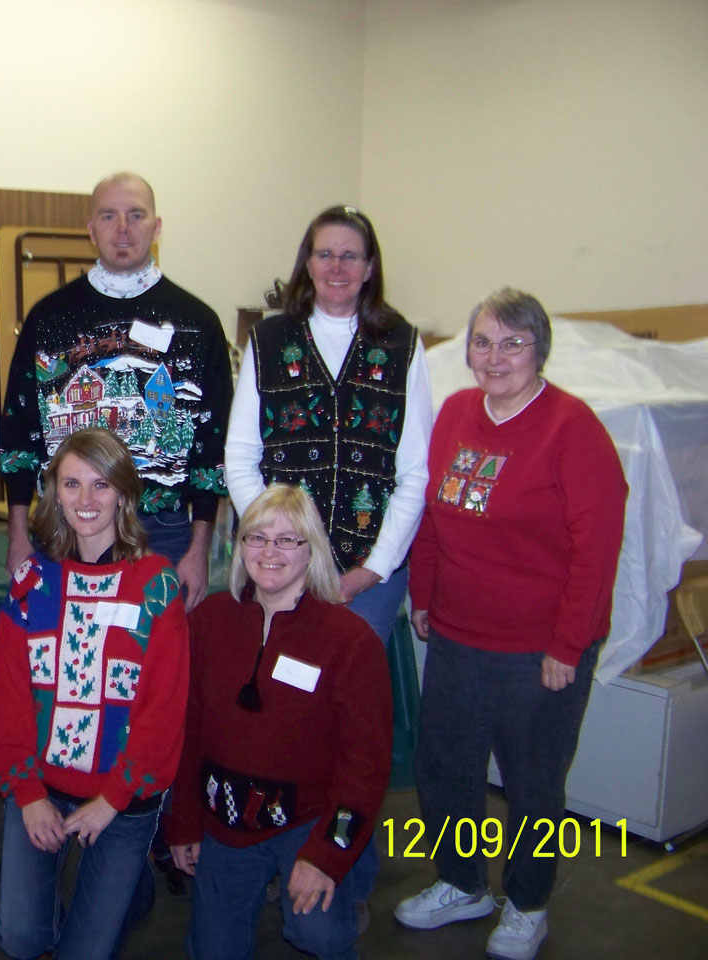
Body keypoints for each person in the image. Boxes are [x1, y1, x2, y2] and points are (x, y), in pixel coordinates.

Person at [394, 289, 627, 960]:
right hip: (459, 637)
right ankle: (462, 883)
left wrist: (568, 644)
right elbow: (433, 511)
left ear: (539, 351)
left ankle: (528, 904)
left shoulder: (571, 428)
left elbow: (596, 548)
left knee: (533, 785)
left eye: (512, 344)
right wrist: (425, 595)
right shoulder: (456, 412)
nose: (494, 357)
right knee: (446, 770)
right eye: (482, 342)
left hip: (539, 651)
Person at [0, 427, 190, 960]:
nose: (86, 499)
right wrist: (27, 794)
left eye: (101, 484)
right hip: (44, 787)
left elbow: (162, 711)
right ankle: (115, 883)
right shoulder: (31, 582)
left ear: (123, 493)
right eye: (72, 484)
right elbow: (9, 696)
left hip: (123, 796)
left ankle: (131, 879)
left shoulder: (156, 584)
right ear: (54, 492)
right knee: (21, 939)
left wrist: (114, 799)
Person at [166, 485, 391, 960]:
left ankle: (344, 894)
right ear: (240, 544)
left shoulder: (351, 642)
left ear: (312, 550)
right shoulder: (208, 621)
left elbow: (366, 769)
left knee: (319, 934)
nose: (270, 552)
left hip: (307, 821)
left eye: (287, 540)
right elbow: (188, 732)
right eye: (257, 537)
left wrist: (328, 855)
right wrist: (183, 822)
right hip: (224, 821)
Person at [0, 172, 232, 612]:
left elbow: (211, 444)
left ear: (157, 227)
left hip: (161, 529)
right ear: (91, 229)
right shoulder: (48, 318)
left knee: (154, 649)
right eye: (109, 216)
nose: (122, 229)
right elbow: (18, 431)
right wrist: (17, 533)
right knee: (66, 646)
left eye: (135, 215)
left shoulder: (198, 322)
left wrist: (199, 548)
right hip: (65, 526)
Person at [224, 204, 432, 644]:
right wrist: (273, 546)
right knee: (280, 676)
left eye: (350, 256)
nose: (336, 267)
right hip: (279, 568)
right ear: (308, 263)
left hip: (369, 573)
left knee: (349, 678)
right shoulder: (269, 340)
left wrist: (374, 568)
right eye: (325, 254)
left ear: (370, 267)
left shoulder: (402, 345)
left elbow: (415, 472)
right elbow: (241, 458)